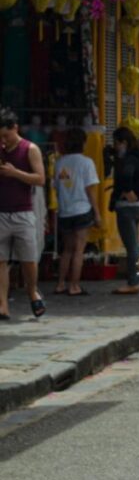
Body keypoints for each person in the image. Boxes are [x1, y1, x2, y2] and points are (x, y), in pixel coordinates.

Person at [0, 107, 47, 320]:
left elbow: (40, 179)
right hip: (1, 212)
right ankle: (2, 305)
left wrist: (15, 173)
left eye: (6, 135)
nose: (3, 140)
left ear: (15, 128)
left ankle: (32, 291)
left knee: (28, 260)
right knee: (1, 261)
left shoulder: (30, 149)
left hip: (23, 212)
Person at [54, 127, 102, 297]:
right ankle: (74, 286)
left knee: (66, 250)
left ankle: (60, 284)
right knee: (78, 250)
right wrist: (97, 214)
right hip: (82, 210)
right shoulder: (86, 163)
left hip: (65, 211)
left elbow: (57, 188)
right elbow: (90, 190)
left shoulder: (59, 163)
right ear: (83, 143)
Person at [107, 126, 139, 295]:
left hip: (127, 207)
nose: (116, 147)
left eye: (116, 143)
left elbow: (126, 176)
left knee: (131, 247)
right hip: (138, 205)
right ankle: (136, 277)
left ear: (123, 142)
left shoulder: (128, 159)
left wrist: (127, 191)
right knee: (135, 245)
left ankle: (133, 281)